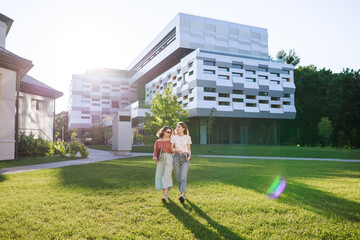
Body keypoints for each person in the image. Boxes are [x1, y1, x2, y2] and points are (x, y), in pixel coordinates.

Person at [171, 122, 192, 203]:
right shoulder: (174, 137)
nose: (177, 128)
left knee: (183, 177)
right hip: (176, 157)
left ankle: (182, 194)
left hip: (185, 158)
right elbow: (171, 149)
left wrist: (189, 156)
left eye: (179, 127)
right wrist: (177, 150)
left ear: (183, 128)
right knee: (178, 177)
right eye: (177, 127)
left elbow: (189, 148)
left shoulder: (187, 137)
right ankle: (181, 192)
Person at [153, 126, 174, 202]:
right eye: (168, 132)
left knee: (167, 175)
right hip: (161, 159)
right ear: (163, 132)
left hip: (169, 158)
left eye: (170, 132)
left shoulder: (172, 141)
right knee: (161, 175)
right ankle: (166, 194)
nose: (169, 133)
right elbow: (155, 152)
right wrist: (155, 157)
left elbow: (173, 151)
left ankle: (164, 195)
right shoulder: (158, 142)